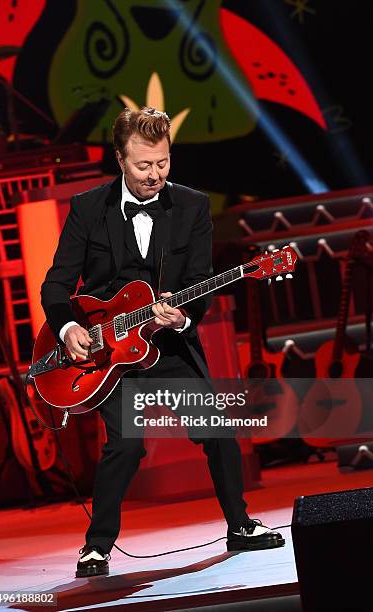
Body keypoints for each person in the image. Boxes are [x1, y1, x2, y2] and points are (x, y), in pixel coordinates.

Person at [41, 107, 284, 578]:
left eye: (163, 163)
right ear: (119, 159)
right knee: (127, 447)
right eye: (143, 165)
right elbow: (56, 285)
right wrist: (68, 328)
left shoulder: (192, 206)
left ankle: (240, 526)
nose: (154, 175)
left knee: (217, 429)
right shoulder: (88, 208)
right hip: (107, 353)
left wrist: (182, 317)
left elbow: (198, 281)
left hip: (165, 345)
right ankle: (97, 547)